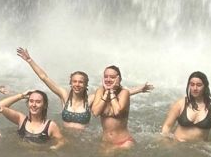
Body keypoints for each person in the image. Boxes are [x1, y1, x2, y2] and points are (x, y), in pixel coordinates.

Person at [16, 48, 153, 129]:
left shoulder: (91, 99)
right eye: (74, 81)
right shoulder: (64, 95)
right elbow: (44, 77)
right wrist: (29, 60)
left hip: (82, 140)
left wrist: (139, 89)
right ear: (70, 83)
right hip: (66, 137)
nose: (77, 84)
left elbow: (117, 95)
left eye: (81, 82)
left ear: (86, 85)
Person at [161, 71, 211, 142]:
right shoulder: (180, 104)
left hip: (199, 149)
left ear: (205, 86)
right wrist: (166, 142)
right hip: (177, 145)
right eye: (192, 84)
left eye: (199, 85)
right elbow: (167, 126)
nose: (195, 88)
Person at [0, 90, 66, 148]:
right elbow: (0, 105)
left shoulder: (51, 126)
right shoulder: (21, 119)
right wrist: (21, 96)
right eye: (31, 101)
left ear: (44, 105)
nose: (34, 105)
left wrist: (55, 148)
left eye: (38, 102)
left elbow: (62, 141)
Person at [90, 65, 134, 148]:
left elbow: (117, 111)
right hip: (106, 142)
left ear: (119, 79)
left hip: (124, 142)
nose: (108, 79)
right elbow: (95, 112)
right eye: (106, 77)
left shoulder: (124, 93)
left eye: (112, 77)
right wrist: (106, 92)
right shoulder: (100, 91)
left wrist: (112, 92)